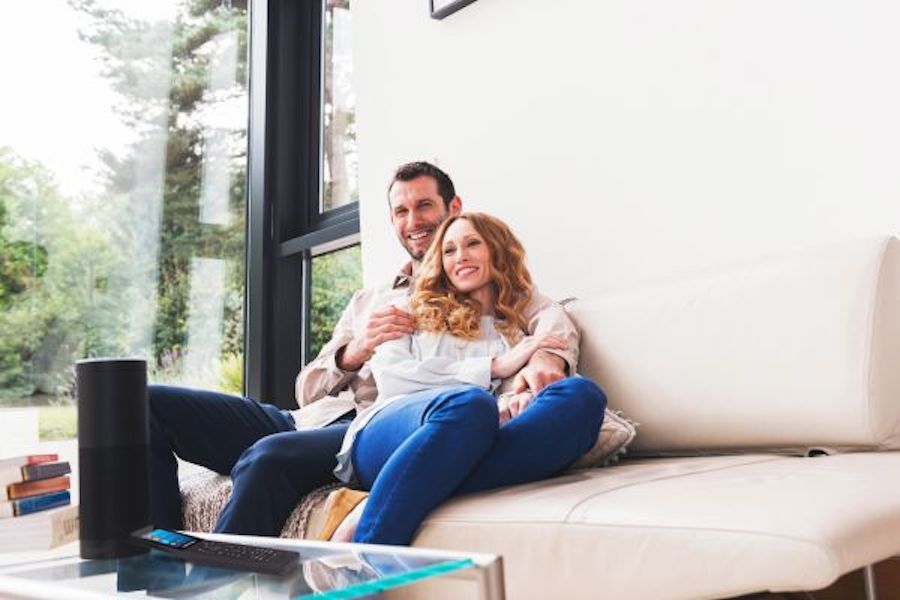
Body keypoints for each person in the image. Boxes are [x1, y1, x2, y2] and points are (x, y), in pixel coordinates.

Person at [149, 162, 580, 537]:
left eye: (425, 205)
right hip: (307, 419)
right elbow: (307, 389)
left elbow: (552, 334)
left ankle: (220, 582)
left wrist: (537, 365)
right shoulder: (370, 300)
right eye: (401, 211)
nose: (414, 220)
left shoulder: (495, 294)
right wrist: (356, 350)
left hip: (372, 428)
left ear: (453, 209)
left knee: (269, 459)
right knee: (141, 402)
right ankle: (157, 559)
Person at [331, 213, 606, 546]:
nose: (460, 256)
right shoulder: (410, 308)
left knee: (582, 396)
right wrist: (494, 366)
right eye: (448, 250)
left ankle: (379, 502)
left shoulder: (518, 326)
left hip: (468, 441)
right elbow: (393, 379)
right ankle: (362, 558)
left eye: (472, 243)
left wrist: (517, 397)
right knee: (471, 405)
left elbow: (552, 333)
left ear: (498, 250)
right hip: (389, 434)